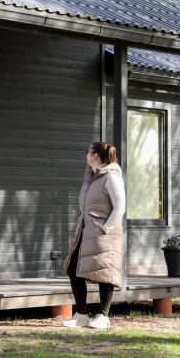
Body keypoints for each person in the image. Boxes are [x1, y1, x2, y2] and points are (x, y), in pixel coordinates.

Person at [61, 141, 125, 329]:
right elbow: (84, 210)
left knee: (105, 272)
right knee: (73, 269)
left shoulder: (111, 177)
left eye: (88, 152)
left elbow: (119, 208)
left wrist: (105, 229)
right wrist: (77, 235)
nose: (87, 155)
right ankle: (81, 315)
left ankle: (103, 316)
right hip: (85, 232)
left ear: (95, 155)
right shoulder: (91, 178)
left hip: (104, 234)